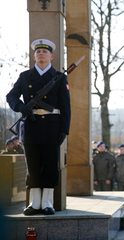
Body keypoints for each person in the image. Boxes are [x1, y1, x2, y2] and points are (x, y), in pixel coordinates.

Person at [6, 39, 71, 215]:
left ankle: (47, 203)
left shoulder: (59, 78)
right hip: (31, 126)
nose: (41, 54)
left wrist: (64, 129)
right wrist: (20, 107)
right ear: (34, 56)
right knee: (33, 166)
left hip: (52, 126)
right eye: (38, 52)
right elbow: (11, 96)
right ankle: (34, 203)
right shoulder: (25, 76)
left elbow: (66, 106)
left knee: (50, 165)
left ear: (51, 56)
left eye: (45, 52)